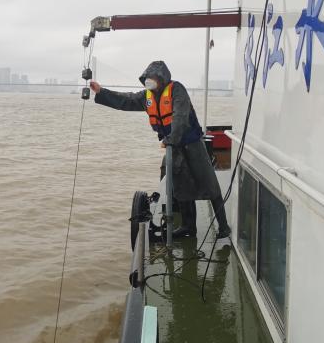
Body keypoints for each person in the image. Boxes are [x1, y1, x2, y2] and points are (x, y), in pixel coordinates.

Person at [90, 60, 231, 239]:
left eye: (153, 77)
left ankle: (223, 226)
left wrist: (171, 139)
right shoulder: (147, 96)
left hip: (192, 144)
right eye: (147, 78)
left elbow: (180, 116)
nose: (149, 80)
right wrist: (101, 92)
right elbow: (126, 100)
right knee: (182, 187)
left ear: (162, 78)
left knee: (209, 184)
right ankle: (189, 227)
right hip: (174, 147)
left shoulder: (176, 90)